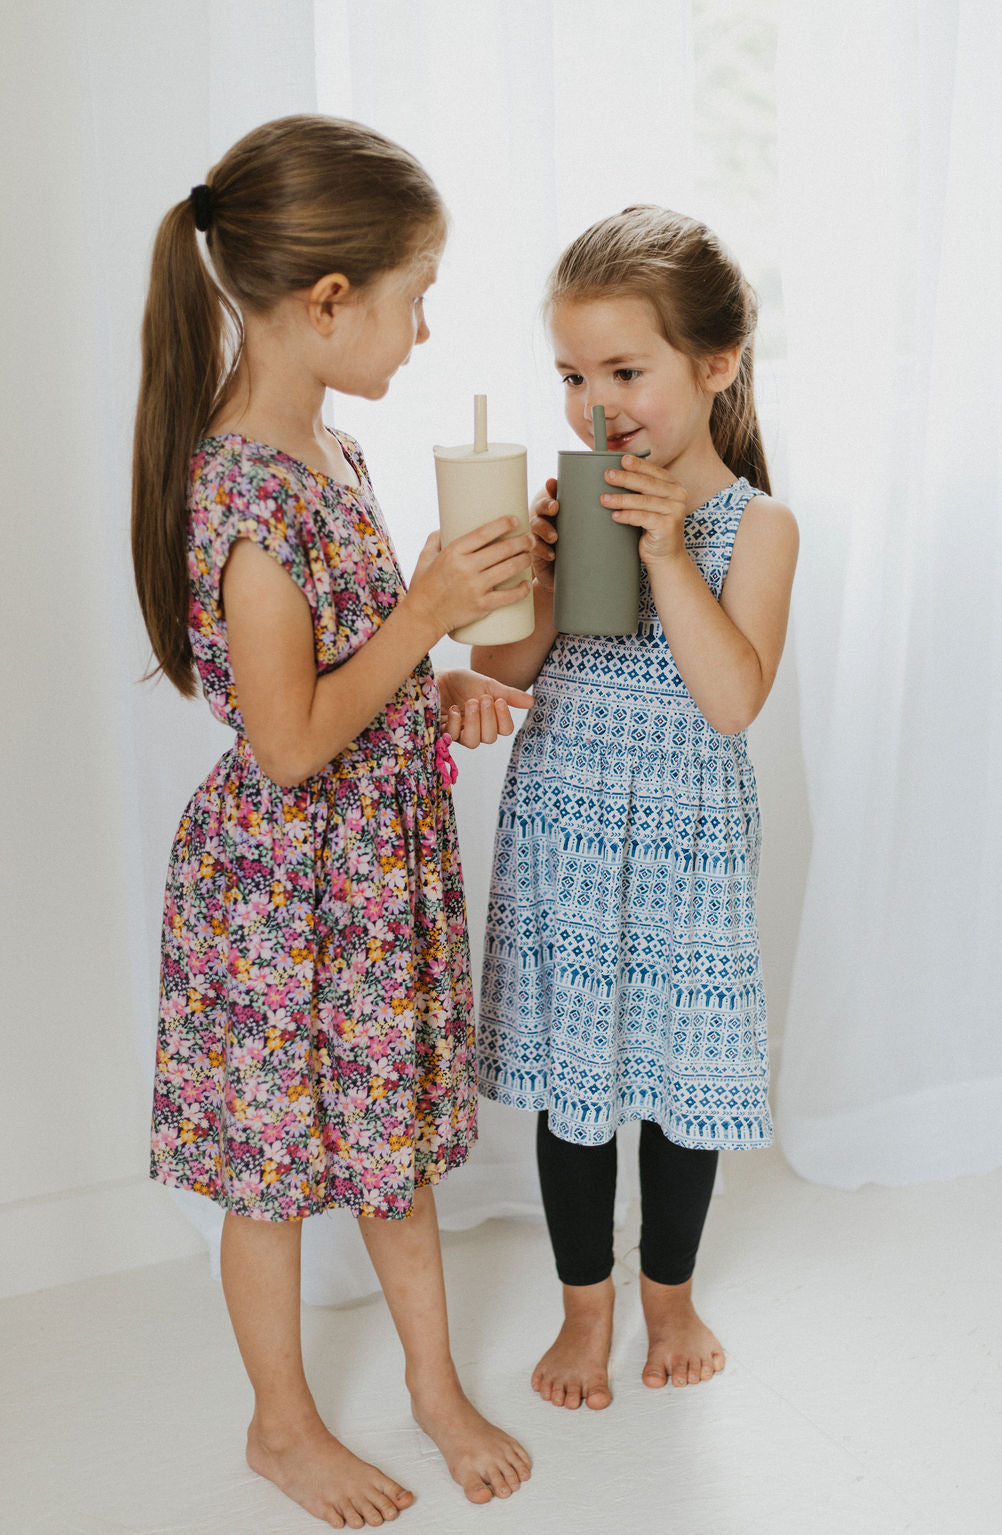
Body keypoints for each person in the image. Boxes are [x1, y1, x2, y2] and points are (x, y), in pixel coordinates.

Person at [132, 115, 534, 1529]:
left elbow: (344, 685)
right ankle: (281, 1422)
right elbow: (289, 740)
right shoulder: (243, 497)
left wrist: (436, 689)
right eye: (414, 297)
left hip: (368, 881)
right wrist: (422, 616)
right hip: (284, 899)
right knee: (274, 1174)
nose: (423, 330)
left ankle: (431, 1383)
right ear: (326, 300)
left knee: (395, 1145)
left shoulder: (332, 455)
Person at [471, 206, 799, 1412]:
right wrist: (542, 576)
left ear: (713, 365)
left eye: (624, 370)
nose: (594, 402)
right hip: (566, 822)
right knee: (577, 1082)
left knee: (676, 1078)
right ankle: (583, 1310)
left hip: (684, 842)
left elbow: (730, 700)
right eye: (570, 374)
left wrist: (665, 553)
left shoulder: (755, 525)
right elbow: (509, 673)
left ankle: (668, 1293)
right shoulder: (576, 504)